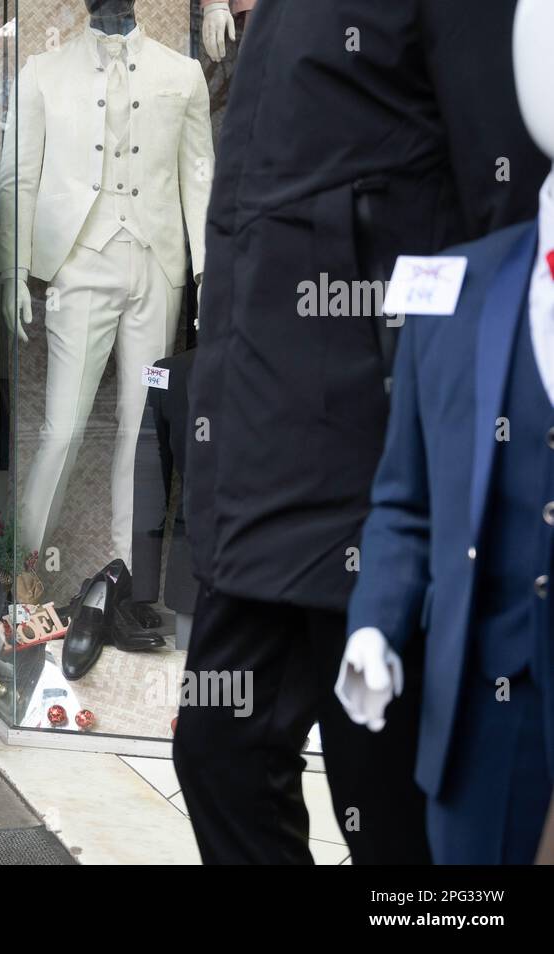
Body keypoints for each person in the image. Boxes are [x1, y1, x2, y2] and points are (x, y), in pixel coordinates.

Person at [174, 0, 548, 865]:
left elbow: (509, 201)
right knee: (217, 753)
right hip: (262, 462)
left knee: (389, 806)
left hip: (372, 459)